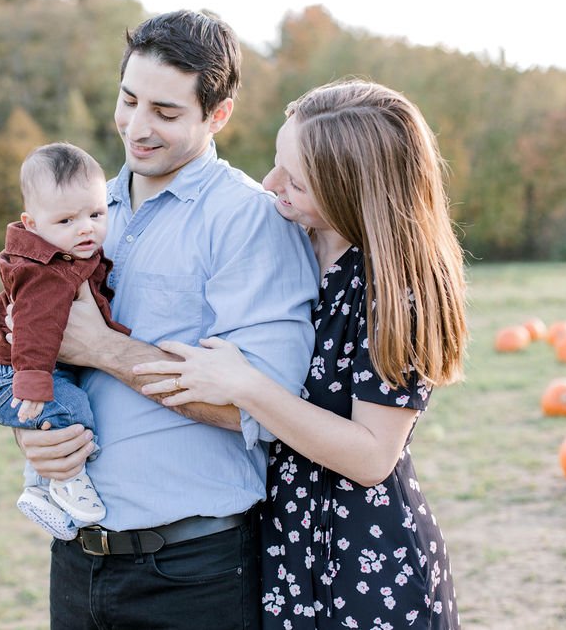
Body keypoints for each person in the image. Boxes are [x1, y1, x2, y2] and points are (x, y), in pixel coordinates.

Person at [13, 10, 320, 628]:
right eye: (129, 100)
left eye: (166, 112)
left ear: (219, 114)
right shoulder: (83, 209)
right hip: (78, 560)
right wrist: (33, 431)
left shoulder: (248, 220)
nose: (137, 127)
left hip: (192, 569)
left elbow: (265, 409)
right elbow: (29, 342)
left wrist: (107, 350)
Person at [134, 79, 468, 628]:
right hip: (285, 537)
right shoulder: (285, 240)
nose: (270, 185)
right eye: (276, 163)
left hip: (363, 560)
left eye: (297, 182)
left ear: (353, 192)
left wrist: (245, 385)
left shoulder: (397, 287)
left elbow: (370, 458)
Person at [0, 142, 131, 541]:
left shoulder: (70, 256)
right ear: (31, 224)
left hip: (26, 372)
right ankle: (66, 484)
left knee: (64, 407)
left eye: (96, 214)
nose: (86, 228)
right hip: (13, 376)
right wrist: (31, 381)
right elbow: (32, 330)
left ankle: (40, 490)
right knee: (72, 409)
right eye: (66, 220)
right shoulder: (46, 272)